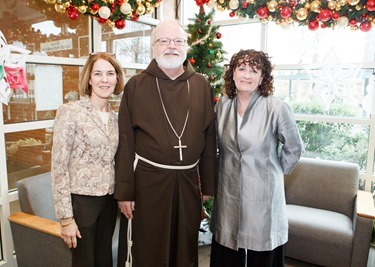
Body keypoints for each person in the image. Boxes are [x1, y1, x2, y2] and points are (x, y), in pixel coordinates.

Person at [114, 20, 216, 267]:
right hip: (148, 183)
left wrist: (208, 185)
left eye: (178, 41)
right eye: (164, 41)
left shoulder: (201, 84)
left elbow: (209, 136)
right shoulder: (137, 85)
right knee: (149, 249)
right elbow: (125, 141)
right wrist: (125, 192)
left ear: (186, 46)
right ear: (153, 46)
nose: (171, 46)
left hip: (188, 182)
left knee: (185, 248)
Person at [210, 49, 304, 267]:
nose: (246, 75)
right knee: (227, 244)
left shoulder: (276, 108)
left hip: (263, 194)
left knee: (262, 251)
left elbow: (294, 147)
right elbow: (213, 143)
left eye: (254, 70)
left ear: (263, 77)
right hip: (228, 191)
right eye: (241, 68)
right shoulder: (222, 105)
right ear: (232, 73)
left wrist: (273, 172)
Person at [51, 52, 125, 267]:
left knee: (104, 260)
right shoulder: (70, 112)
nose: (105, 79)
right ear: (89, 79)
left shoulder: (116, 117)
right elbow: (59, 166)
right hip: (81, 202)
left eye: (110, 73)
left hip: (109, 201)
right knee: (84, 262)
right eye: (98, 73)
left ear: (117, 78)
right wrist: (66, 218)